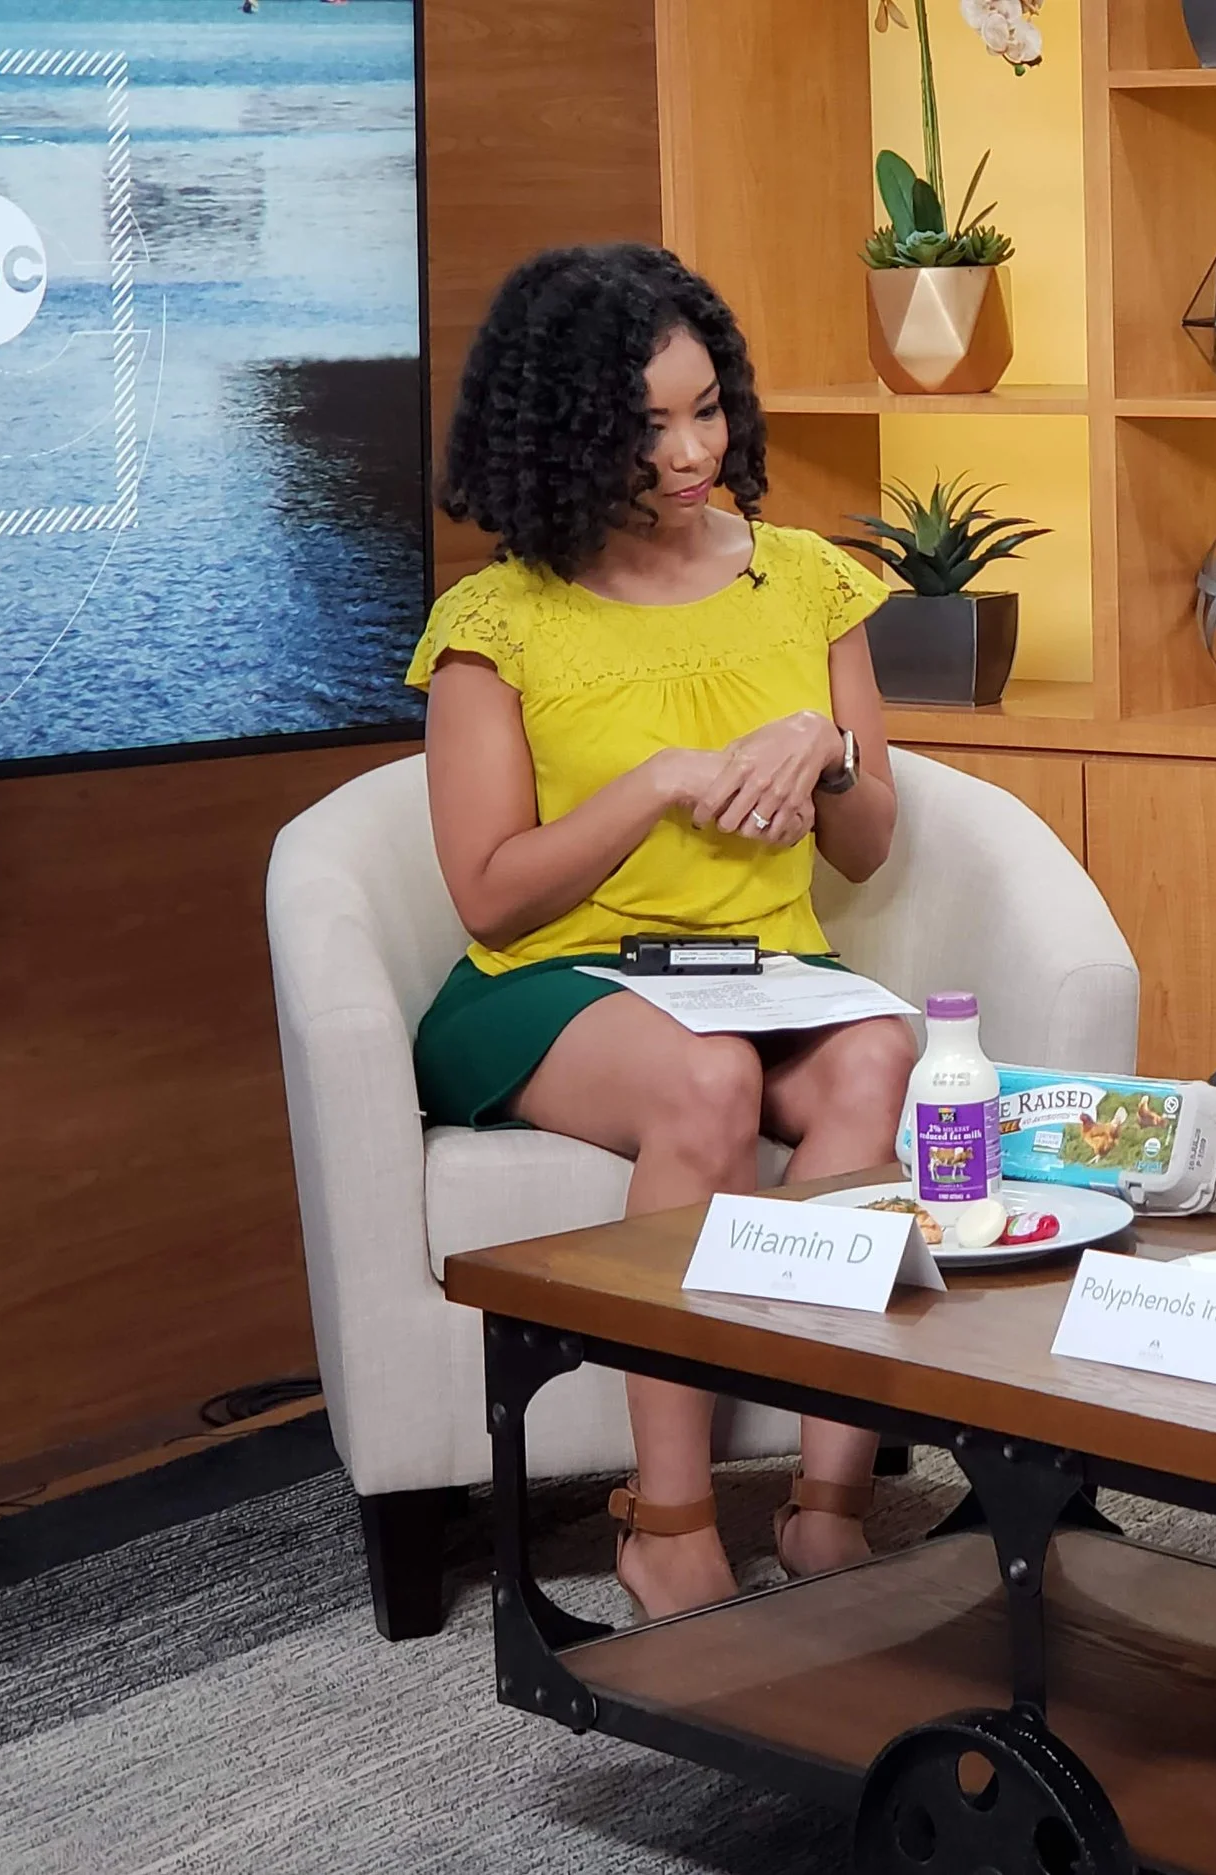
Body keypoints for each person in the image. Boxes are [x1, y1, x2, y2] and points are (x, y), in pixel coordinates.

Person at [407, 244, 915, 1619]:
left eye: (708, 409)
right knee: (707, 1080)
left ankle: (828, 1505)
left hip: (764, 965)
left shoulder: (807, 581)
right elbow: (489, 893)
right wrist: (653, 785)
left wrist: (828, 751)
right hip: (556, 980)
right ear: (565, 432)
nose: (693, 452)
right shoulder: (496, 622)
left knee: (878, 1052)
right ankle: (669, 1519)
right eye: (648, 426)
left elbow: (865, 847)